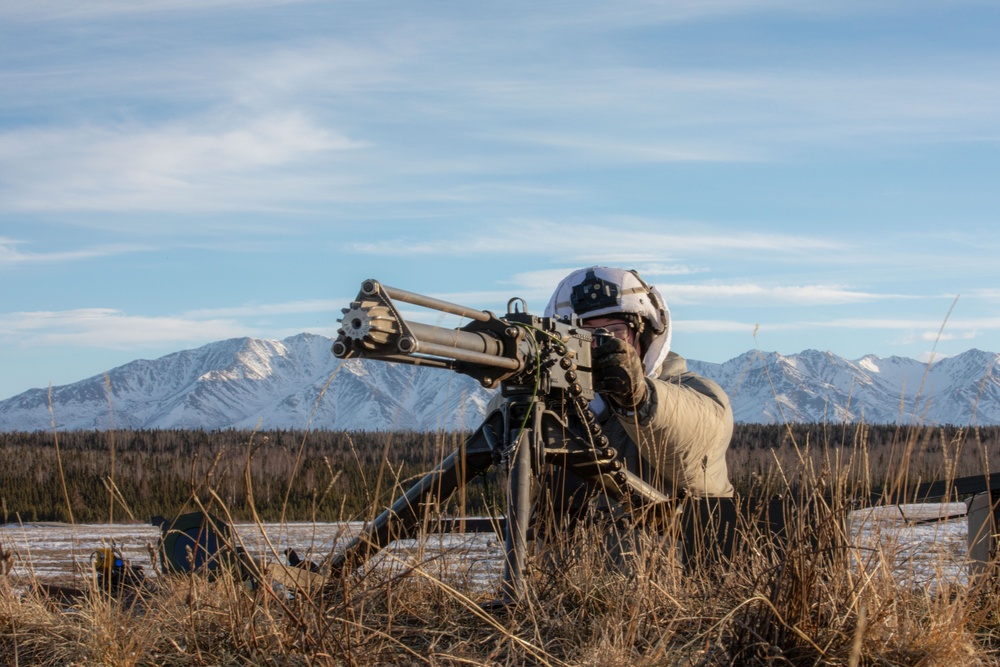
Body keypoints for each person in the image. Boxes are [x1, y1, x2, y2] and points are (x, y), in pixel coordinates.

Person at [545, 266, 734, 500]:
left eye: (616, 331)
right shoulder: (556, 398)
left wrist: (639, 397)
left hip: (666, 536)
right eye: (585, 334)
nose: (599, 345)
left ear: (644, 336)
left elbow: (695, 440)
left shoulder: (700, 393)